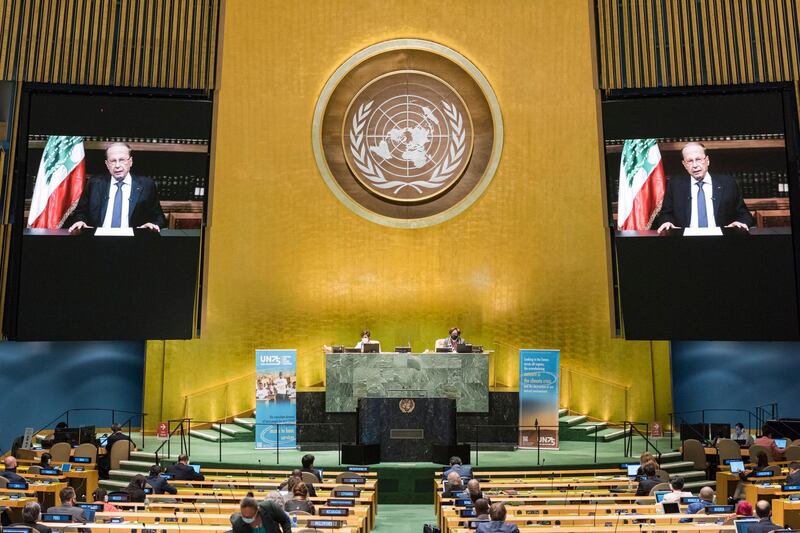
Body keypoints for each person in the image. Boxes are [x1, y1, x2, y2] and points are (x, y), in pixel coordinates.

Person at [655, 142, 754, 232]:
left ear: (707, 161)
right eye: (690, 161)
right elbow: (666, 214)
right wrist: (666, 222)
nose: (695, 165)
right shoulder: (675, 185)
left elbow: (744, 214)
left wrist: (740, 222)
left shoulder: (727, 183)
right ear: (684, 165)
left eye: (698, 159)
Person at [68, 142, 166, 233]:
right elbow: (80, 213)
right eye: (113, 161)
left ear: (130, 161)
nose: (117, 165)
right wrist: (80, 221)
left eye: (122, 160)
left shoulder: (146, 185)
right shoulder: (94, 183)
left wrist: (153, 224)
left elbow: (159, 218)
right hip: (99, 240)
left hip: (133, 241)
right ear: (107, 164)